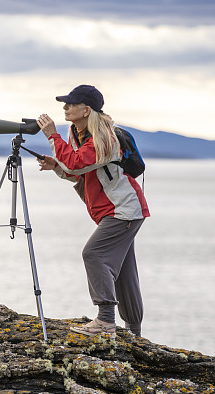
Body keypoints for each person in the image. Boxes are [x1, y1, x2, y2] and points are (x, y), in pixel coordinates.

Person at [36, 84, 150, 337]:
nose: (65, 107)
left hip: (123, 210)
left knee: (94, 254)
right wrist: (56, 165)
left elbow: (77, 162)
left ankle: (106, 320)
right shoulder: (78, 135)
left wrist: (52, 136)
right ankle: (134, 331)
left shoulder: (104, 137)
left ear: (86, 110)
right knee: (124, 272)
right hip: (118, 211)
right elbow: (77, 172)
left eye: (70, 103)